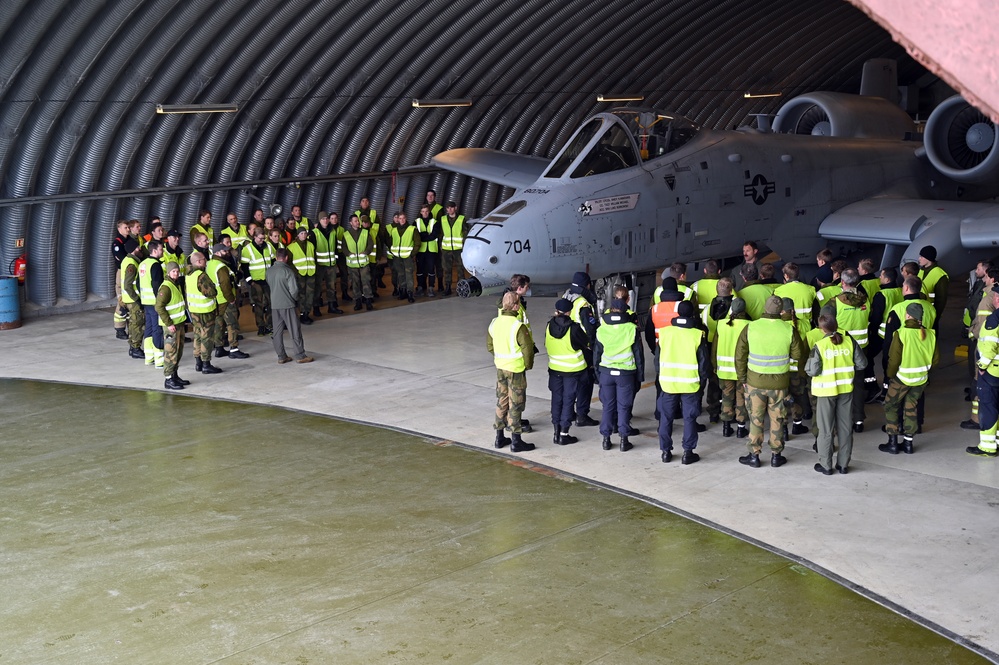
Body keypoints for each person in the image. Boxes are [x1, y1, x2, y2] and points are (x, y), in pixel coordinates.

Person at [735, 295, 806, 468]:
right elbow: (798, 354)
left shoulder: (751, 327)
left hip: (754, 382)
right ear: (781, 311)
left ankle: (754, 455)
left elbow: (740, 355)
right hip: (779, 384)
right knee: (777, 419)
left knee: (756, 419)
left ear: (765, 309)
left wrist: (742, 378)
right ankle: (776, 455)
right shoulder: (788, 329)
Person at [805, 312, 867, 474]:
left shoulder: (820, 346)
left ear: (821, 329)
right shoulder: (849, 342)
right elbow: (862, 364)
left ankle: (826, 465)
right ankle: (843, 465)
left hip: (826, 392)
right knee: (845, 429)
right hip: (846, 390)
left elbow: (811, 370)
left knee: (825, 430)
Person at [656, 300, 710, 464]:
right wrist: (701, 383)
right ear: (692, 314)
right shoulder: (697, 334)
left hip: (668, 384)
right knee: (689, 418)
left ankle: (665, 452)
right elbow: (703, 363)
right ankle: (688, 452)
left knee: (666, 418)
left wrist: (661, 376)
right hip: (690, 384)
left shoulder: (664, 333)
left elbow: (657, 360)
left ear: (677, 313)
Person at [879, 303, 937, 454]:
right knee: (911, 408)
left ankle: (892, 442)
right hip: (920, 380)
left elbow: (894, 359)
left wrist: (890, 375)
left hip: (902, 379)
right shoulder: (930, 334)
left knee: (890, 405)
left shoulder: (901, 333)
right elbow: (935, 359)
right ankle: (908, 444)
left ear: (909, 316)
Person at [487, 290, 535, 453]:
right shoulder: (517, 326)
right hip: (515, 370)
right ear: (515, 305)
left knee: (502, 401)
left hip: (500, 368)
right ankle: (516, 440)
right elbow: (527, 349)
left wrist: (501, 358)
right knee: (516, 404)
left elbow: (490, 346)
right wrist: (527, 365)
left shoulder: (494, 323)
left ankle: (499, 437)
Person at [595, 295, 644, 452]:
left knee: (608, 406)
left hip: (606, 373)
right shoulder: (631, 329)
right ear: (625, 311)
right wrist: (639, 376)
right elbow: (638, 355)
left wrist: (598, 374)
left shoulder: (602, 329)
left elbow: (597, 354)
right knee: (624, 406)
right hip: (625, 374)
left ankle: (606, 439)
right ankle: (624, 440)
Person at [829, 269, 871, 432]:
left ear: (843, 283)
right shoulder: (866, 300)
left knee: (840, 384)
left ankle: (842, 418)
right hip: (862, 347)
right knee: (858, 385)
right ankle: (859, 420)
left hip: (842, 349)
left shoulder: (835, 302)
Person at [545, 298, 588, 445]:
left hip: (555, 369)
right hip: (573, 370)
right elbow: (585, 343)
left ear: (557, 311)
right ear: (569, 311)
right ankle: (564, 433)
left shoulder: (548, 326)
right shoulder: (574, 328)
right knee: (568, 401)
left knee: (557, 399)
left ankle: (556, 432)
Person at [963, 266, 999, 429]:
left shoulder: (987, 300)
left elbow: (984, 330)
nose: (984, 280)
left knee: (982, 392)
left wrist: (972, 334)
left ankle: (977, 420)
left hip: (988, 360)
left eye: (986, 277)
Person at [562, 272, 599, 427]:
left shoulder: (567, 295)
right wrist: (593, 346)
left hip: (566, 345)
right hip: (582, 347)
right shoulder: (583, 303)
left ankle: (569, 413)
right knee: (586, 382)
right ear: (587, 285)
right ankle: (582, 415)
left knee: (570, 383)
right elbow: (590, 329)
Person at [266, 247, 314, 364]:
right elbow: (294, 290)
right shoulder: (288, 271)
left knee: (277, 332)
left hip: (275, 305)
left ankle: (281, 356)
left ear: (276, 257)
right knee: (294, 330)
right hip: (287, 304)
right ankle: (300, 355)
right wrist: (295, 300)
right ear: (286, 258)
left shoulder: (269, 271)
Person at [969, 285, 999, 457]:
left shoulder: (994, 320)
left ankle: (987, 447)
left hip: (992, 373)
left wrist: (981, 367)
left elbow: (989, 347)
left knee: (988, 408)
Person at [715, 297, 751, 438]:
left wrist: (714, 365)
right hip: (742, 370)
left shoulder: (721, 324)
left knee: (726, 397)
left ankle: (726, 426)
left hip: (724, 370)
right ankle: (741, 428)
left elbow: (714, 348)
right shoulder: (749, 325)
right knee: (741, 397)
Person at [207, 243, 249, 360]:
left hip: (216, 300)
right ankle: (234, 349)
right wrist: (231, 299)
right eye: (224, 251)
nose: (227, 253)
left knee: (219, 324)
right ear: (217, 253)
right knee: (232, 324)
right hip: (225, 300)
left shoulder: (209, 264)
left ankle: (219, 348)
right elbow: (225, 284)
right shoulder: (221, 267)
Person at [186, 251, 223, 375]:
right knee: (207, 337)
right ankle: (206, 363)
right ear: (199, 261)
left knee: (197, 336)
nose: (206, 261)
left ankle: (198, 363)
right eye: (204, 259)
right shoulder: (201, 276)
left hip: (194, 311)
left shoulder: (188, 275)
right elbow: (210, 292)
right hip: (205, 312)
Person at [154, 262, 190, 390]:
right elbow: (158, 306)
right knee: (171, 352)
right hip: (171, 326)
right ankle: (168, 379)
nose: (176, 273)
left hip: (178, 323)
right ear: (168, 272)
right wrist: (169, 323)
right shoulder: (166, 287)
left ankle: (174, 375)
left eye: (177, 271)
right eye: (173, 271)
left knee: (178, 351)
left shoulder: (176, 284)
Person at [240, 229, 275, 335]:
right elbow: (244, 267)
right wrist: (250, 282)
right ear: (254, 237)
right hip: (256, 282)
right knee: (258, 305)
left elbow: (273, 262)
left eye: (263, 238)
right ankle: (260, 326)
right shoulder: (247, 249)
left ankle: (270, 325)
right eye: (260, 238)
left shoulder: (269, 246)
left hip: (268, 281)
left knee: (270, 304)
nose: (262, 240)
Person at [137, 239, 165, 367]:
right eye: (160, 249)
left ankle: (149, 357)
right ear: (154, 250)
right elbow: (156, 285)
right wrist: (160, 301)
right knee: (157, 329)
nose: (162, 251)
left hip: (145, 302)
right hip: (154, 303)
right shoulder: (155, 265)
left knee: (148, 329)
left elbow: (137, 283)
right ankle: (159, 360)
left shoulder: (143, 264)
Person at [311, 211, 343, 316]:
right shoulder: (314, 233)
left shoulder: (333, 232)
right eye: (322, 219)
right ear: (319, 221)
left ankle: (331, 306)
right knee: (318, 287)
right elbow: (312, 250)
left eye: (326, 218)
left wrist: (336, 261)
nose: (325, 220)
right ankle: (316, 308)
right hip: (320, 265)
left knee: (332, 286)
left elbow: (335, 249)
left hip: (331, 265)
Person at [120, 238, 145, 359]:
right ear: (134, 249)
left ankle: (133, 347)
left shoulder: (127, 260)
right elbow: (128, 285)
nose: (140, 249)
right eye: (138, 247)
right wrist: (137, 299)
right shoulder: (132, 264)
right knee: (137, 324)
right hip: (132, 299)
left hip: (128, 298)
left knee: (133, 324)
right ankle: (135, 348)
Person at [344, 214, 374, 311]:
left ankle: (368, 300)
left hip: (363, 263)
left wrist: (366, 252)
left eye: (358, 221)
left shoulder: (365, 232)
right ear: (351, 222)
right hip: (352, 264)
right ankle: (358, 302)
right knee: (355, 283)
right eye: (355, 221)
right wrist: (348, 253)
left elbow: (370, 244)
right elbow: (343, 247)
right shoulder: (346, 234)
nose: (358, 222)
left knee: (366, 281)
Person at [288, 226, 317, 324]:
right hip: (299, 274)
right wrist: (296, 272)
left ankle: (306, 313)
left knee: (310, 294)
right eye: (301, 233)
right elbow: (289, 263)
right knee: (301, 294)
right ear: (297, 235)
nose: (303, 235)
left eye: (305, 233)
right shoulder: (291, 247)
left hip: (311, 273)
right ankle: (301, 313)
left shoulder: (311, 245)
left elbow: (314, 258)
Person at [388, 212, 418, 302]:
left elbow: (417, 243)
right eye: (400, 218)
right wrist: (393, 252)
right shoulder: (394, 230)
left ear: (406, 218)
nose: (401, 220)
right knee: (400, 275)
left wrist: (412, 254)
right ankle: (403, 291)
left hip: (408, 257)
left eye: (403, 218)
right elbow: (391, 242)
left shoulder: (412, 229)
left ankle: (410, 293)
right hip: (397, 257)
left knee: (409, 275)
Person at [917, 244, 949, 326]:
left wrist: (935, 317)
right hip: (919, 312)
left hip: (930, 314)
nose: (919, 259)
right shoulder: (921, 271)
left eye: (922, 257)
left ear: (928, 258)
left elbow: (941, 300)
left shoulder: (940, 275)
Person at [439, 201, 466, 296]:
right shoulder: (443, 219)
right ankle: (447, 287)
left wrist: (465, 245)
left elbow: (465, 233)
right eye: (448, 208)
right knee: (447, 269)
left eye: (451, 207)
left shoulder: (462, 219)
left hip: (458, 249)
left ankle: (461, 288)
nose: (449, 209)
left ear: (455, 208)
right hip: (446, 249)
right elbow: (441, 233)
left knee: (460, 269)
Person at [414, 204, 440, 297]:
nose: (425, 213)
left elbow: (434, 235)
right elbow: (416, 236)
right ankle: (420, 287)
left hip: (431, 250)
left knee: (431, 269)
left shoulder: (435, 222)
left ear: (429, 212)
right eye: (423, 211)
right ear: (421, 212)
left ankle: (431, 288)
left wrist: (423, 235)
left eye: (426, 211)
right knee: (420, 270)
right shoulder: (416, 222)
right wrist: (427, 235)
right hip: (420, 250)